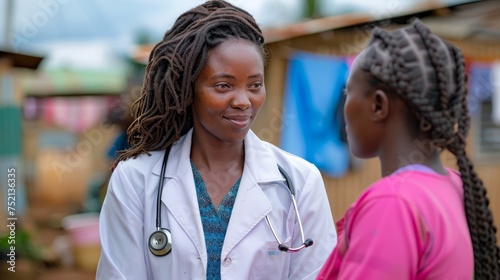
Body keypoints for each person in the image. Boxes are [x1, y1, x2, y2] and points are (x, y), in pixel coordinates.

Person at [96, 1, 337, 279]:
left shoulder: (300, 182)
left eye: (255, 85)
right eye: (223, 85)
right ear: (187, 88)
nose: (244, 101)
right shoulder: (135, 180)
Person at [317, 19, 500, 279]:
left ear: (378, 106)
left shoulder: (392, 204)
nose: (343, 106)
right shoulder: (455, 186)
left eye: (348, 92)